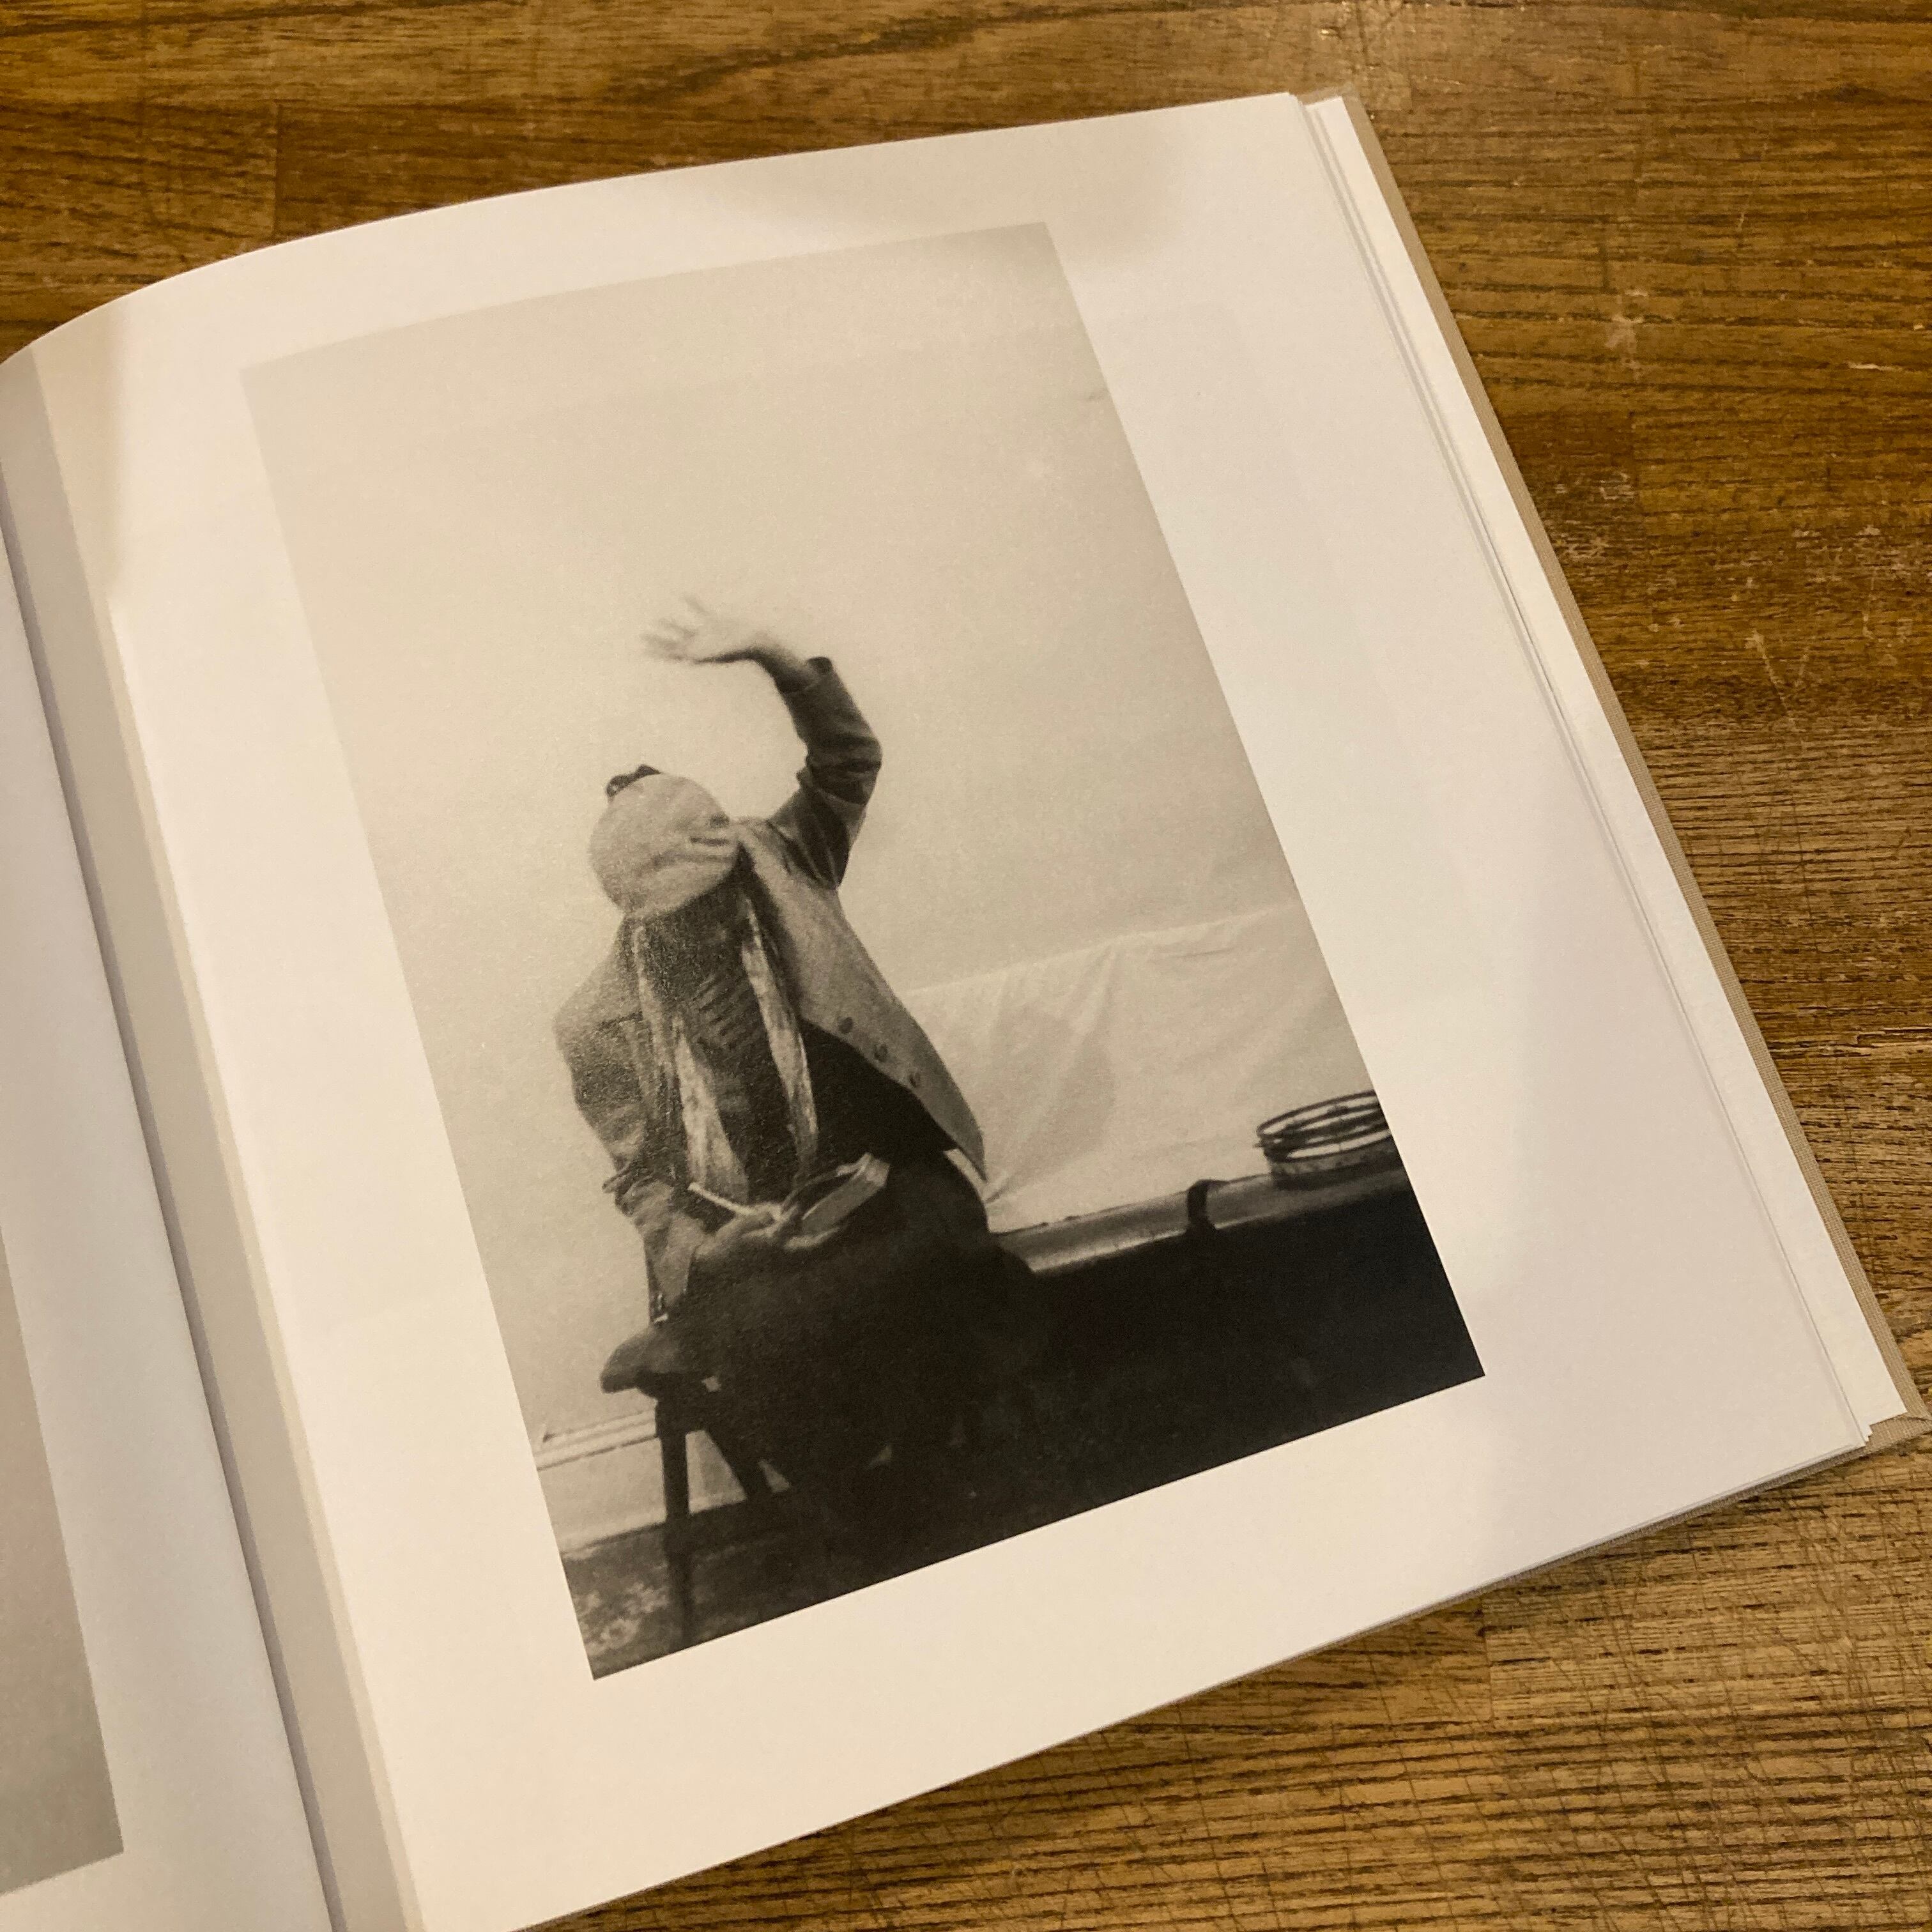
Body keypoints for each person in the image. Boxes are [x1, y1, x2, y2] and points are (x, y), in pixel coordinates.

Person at [556, 601, 1037, 1513]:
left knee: (932, 1266)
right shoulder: (597, 1022)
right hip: (753, 1244)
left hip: (886, 1181)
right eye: (672, 914)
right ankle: (861, 1507)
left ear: (734, 858)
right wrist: (711, 1249)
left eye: (710, 892)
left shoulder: (787, 868)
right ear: (632, 914)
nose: (701, 920)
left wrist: (775, 656)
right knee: (768, 1333)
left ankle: (926, 1479)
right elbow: (641, 1179)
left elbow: (848, 760)